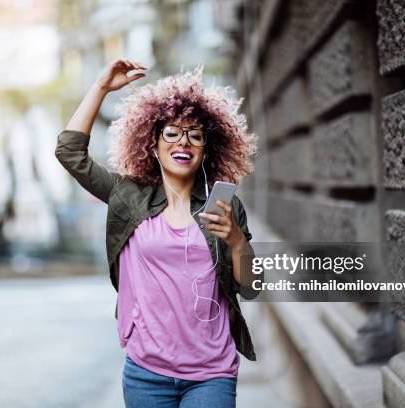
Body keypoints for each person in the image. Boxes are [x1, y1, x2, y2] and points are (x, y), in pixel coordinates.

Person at [55, 59, 260, 408]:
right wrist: (100, 86)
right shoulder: (128, 195)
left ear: (206, 150)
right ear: (153, 144)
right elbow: (69, 152)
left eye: (196, 136)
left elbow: (252, 287)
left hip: (211, 373)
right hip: (146, 374)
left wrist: (237, 241)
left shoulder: (224, 206)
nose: (185, 142)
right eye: (172, 133)